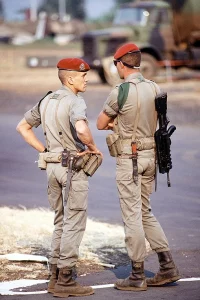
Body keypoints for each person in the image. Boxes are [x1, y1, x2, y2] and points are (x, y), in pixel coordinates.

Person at [96, 43, 180, 292]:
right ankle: (167, 266)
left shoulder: (120, 91)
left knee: (132, 215)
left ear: (121, 64)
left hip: (129, 158)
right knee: (145, 211)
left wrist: (117, 125)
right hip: (150, 157)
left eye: (116, 64)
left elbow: (101, 123)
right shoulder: (154, 87)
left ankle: (137, 275)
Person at [16, 57, 102, 298]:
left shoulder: (46, 100)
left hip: (52, 166)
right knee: (75, 222)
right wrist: (94, 148)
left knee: (60, 220)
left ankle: (54, 276)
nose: (87, 80)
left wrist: (44, 151)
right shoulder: (75, 101)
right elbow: (83, 130)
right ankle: (66, 279)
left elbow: (22, 127)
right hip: (72, 168)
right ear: (71, 78)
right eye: (83, 76)